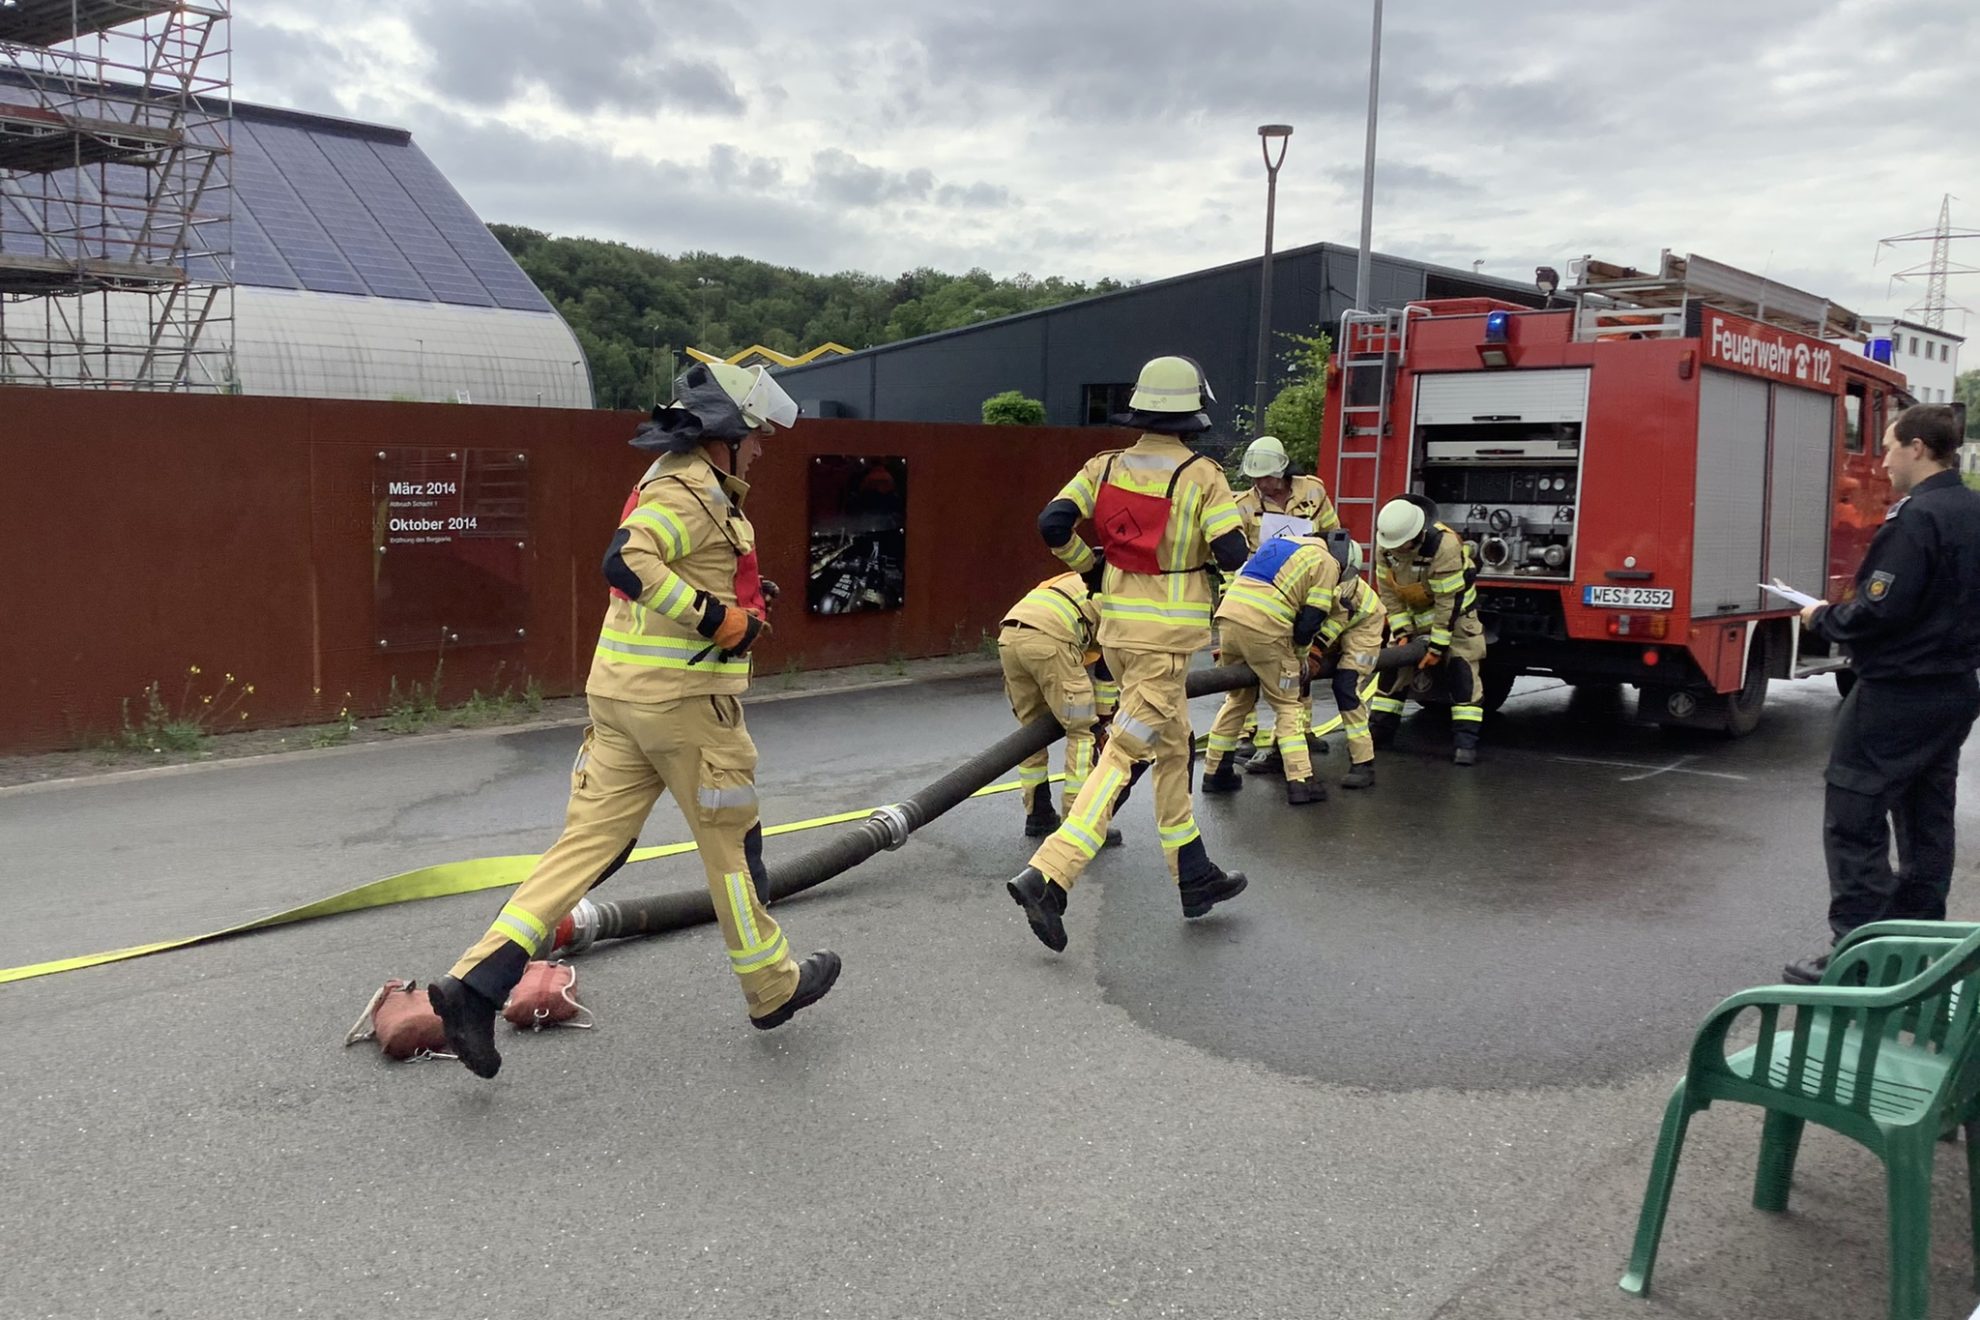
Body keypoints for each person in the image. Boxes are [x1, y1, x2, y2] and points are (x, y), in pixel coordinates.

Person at [427, 362, 840, 1078]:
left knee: (584, 850)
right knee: (733, 852)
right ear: (728, 437)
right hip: (683, 711)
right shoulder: (689, 492)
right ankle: (771, 988)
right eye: (759, 436)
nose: (766, 448)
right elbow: (627, 562)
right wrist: (715, 618)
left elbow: (661, 574)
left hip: (621, 700)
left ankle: (474, 985)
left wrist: (733, 596)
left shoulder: (672, 480)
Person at [1005, 355, 1253, 952]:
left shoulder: (1103, 467)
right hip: (1165, 645)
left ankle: (1194, 876)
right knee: (1123, 754)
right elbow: (1232, 554)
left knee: (1174, 750)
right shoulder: (1202, 475)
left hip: (1115, 633)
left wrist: (1091, 567)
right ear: (1192, 413)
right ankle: (1051, 874)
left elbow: (1051, 523)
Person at [1783, 404, 1980, 984]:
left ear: (1919, 448)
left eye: (1891, 446)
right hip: (1954, 690)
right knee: (1926, 818)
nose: (1883, 459)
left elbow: (1879, 608)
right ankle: (1919, 948)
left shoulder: (1917, 519)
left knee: (1854, 813)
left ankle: (1858, 958)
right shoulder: (1973, 510)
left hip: (1896, 693)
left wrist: (1823, 617)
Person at [1201, 533, 1344, 805]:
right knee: (1288, 703)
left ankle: (1215, 773)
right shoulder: (1326, 561)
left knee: (1237, 700)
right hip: (1265, 628)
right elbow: (1311, 619)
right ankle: (1301, 781)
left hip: (1229, 621)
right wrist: (1300, 657)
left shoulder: (1279, 544)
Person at [1230, 436, 1340, 771]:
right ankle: (1243, 736)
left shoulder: (1313, 491)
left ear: (1283, 470)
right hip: (1261, 592)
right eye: (1256, 478)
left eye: (1267, 477)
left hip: (1303, 588)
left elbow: (1334, 535)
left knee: (1299, 660)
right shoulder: (1244, 505)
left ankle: (1300, 730)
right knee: (1244, 668)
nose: (1262, 484)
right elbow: (1235, 557)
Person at [997, 566, 1122, 847]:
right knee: (1081, 730)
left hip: (1009, 637)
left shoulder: (1074, 578)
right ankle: (1079, 822)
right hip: (1051, 639)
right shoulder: (1118, 590)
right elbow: (1107, 663)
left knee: (1031, 731)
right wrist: (1102, 718)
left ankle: (1038, 814)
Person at [1369, 496, 1486, 765]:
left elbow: (1449, 601)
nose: (1397, 551)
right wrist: (1402, 631)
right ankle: (1380, 732)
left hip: (1456, 620)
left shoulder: (1444, 546)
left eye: (1402, 546)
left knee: (1462, 673)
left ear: (1417, 535)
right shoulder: (1387, 543)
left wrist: (1437, 647)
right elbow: (1388, 591)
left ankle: (1465, 743)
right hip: (1412, 617)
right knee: (1391, 673)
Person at [1306, 537, 1385, 790]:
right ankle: (1293, 743)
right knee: (1297, 681)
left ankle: (1363, 762)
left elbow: (1336, 620)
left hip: (1365, 629)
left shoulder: (1347, 585)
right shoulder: (1316, 569)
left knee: (1346, 686)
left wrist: (1316, 648)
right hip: (1337, 628)